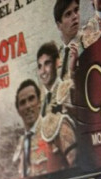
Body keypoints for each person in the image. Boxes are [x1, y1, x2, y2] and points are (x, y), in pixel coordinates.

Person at [34, 44, 78, 172]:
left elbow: (73, 159)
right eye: (39, 66)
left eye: (47, 64)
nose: (43, 71)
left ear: (57, 63)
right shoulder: (42, 100)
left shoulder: (65, 89)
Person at [54, 0, 82, 81]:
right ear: (59, 25)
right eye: (68, 14)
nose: (74, 16)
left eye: (76, 10)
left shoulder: (89, 41)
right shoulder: (57, 57)